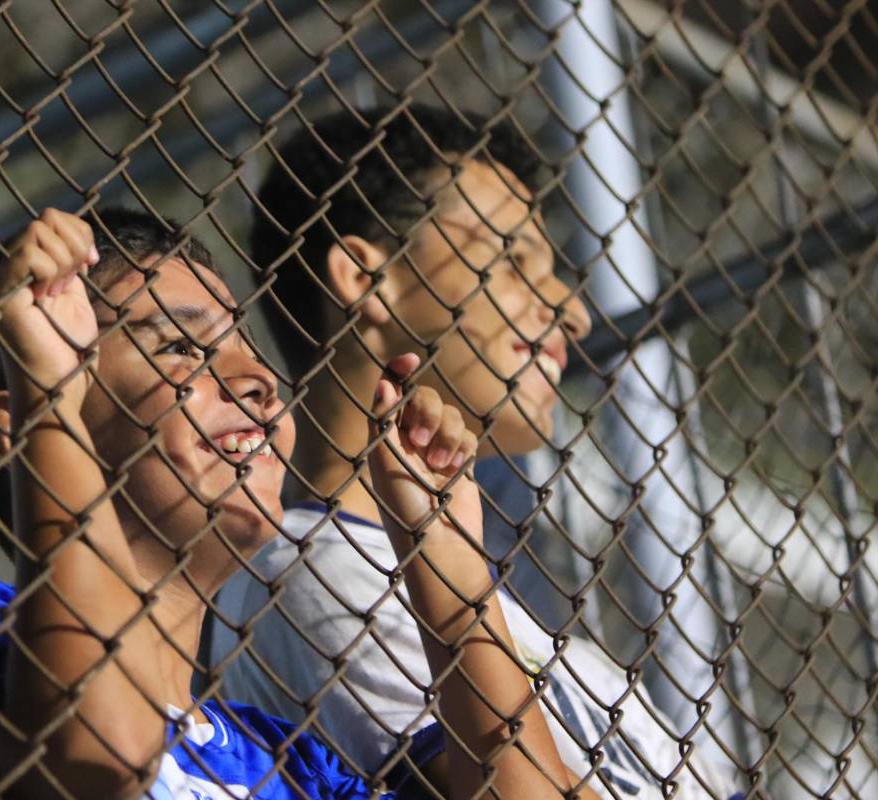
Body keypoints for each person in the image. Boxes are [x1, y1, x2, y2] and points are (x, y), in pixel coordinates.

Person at [0, 207, 589, 798]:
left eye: (246, 347)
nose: (256, 378)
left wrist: (451, 576)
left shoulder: (287, 763)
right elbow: (98, 755)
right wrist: (51, 409)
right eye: (180, 349)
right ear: (18, 416)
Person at [209, 105, 743, 799]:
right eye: (514, 260)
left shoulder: (438, 580)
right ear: (367, 279)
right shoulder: (316, 577)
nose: (570, 310)